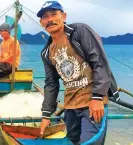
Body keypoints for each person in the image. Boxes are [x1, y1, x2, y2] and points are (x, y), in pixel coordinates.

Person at [37, 1, 119, 145]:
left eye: (54, 14)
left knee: (90, 143)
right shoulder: (46, 52)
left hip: (92, 103)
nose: (50, 19)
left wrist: (98, 97)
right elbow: (51, 84)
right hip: (70, 106)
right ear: (41, 22)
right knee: (73, 142)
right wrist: (46, 115)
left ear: (64, 16)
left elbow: (99, 62)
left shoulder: (79, 31)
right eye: (45, 17)